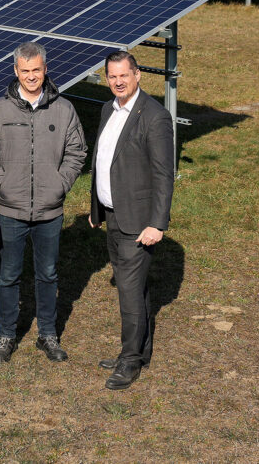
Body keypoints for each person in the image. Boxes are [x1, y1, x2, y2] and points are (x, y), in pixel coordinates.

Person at [0, 42, 87, 364]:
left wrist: (60, 185)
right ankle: (7, 336)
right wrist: (1, 184)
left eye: (37, 70)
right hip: (10, 209)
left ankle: (47, 334)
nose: (31, 76)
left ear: (46, 70)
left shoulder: (64, 109)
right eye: (25, 71)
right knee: (8, 275)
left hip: (49, 209)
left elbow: (77, 152)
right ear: (15, 71)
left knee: (47, 274)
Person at [89, 50, 174, 390]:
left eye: (124, 75)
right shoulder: (107, 109)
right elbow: (104, 159)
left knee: (128, 292)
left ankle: (130, 361)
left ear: (138, 75)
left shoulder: (154, 116)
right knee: (135, 289)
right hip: (113, 215)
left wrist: (158, 223)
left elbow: (164, 174)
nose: (118, 81)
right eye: (112, 76)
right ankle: (141, 351)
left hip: (139, 222)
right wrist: (97, 207)